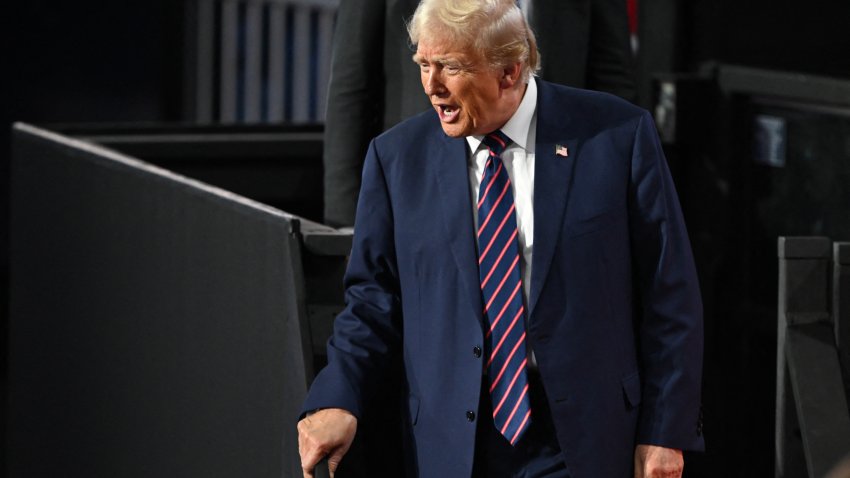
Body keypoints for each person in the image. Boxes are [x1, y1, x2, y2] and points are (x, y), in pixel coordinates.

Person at [300, 0, 704, 476]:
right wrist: (336, 397)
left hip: (582, 439)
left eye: (450, 67)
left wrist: (664, 431)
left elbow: (669, 296)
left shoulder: (617, 137)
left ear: (510, 72)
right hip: (454, 443)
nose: (431, 86)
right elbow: (371, 301)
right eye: (424, 64)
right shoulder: (397, 159)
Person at [323, 0, 636, 228]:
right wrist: (347, 222)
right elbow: (352, 86)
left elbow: (612, 79)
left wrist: (616, 196)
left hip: (557, 181)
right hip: (424, 182)